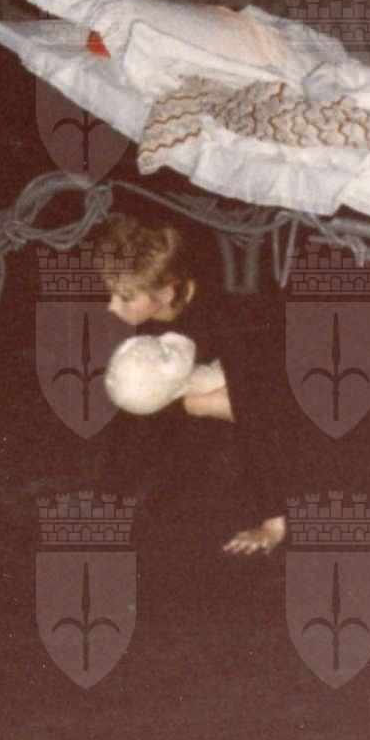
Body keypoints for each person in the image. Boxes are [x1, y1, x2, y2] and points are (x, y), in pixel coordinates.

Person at [92, 213, 288, 556]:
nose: (111, 306)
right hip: (212, 399)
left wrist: (274, 525)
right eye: (111, 293)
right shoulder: (151, 304)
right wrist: (109, 498)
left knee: (226, 408)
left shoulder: (226, 319)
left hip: (280, 400)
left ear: (167, 293)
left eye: (125, 298)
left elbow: (255, 414)